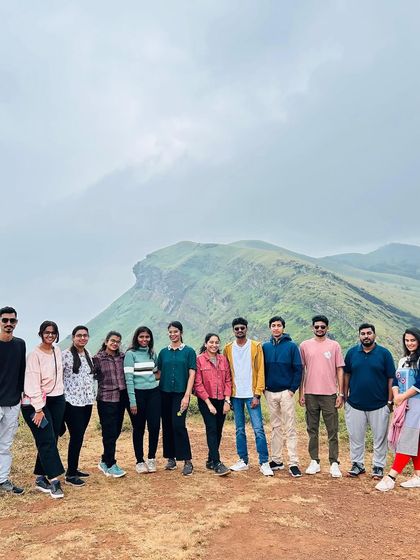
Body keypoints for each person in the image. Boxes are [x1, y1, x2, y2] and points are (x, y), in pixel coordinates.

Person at [344, 323, 395, 479]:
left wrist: (389, 401)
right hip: (355, 404)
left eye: (369, 333)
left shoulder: (384, 354)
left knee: (380, 438)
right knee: (355, 436)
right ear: (359, 336)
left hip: (379, 404)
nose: (366, 336)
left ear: (374, 335)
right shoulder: (352, 353)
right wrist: (345, 397)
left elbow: (391, 378)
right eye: (363, 333)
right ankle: (357, 464)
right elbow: (346, 374)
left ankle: (378, 466)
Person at [21, 321, 66, 498]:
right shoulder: (34, 355)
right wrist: (39, 409)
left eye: (53, 333)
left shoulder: (57, 351)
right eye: (47, 332)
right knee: (46, 439)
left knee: (51, 438)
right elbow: (31, 384)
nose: (50, 335)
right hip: (36, 403)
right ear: (41, 333)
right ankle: (54, 480)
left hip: (56, 400)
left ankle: (40, 478)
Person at [224, 317, 273, 476]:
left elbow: (260, 371)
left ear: (246, 329)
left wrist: (257, 394)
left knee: (258, 429)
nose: (239, 331)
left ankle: (264, 462)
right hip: (235, 395)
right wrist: (228, 396)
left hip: (252, 394)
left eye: (242, 328)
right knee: (239, 429)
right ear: (233, 330)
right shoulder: (228, 348)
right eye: (236, 328)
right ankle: (243, 460)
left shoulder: (256, 346)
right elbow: (227, 373)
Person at [299, 315, 345, 478]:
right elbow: (302, 370)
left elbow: (340, 369)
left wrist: (340, 393)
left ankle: (334, 462)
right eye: (317, 326)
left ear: (327, 328)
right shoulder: (304, 345)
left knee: (332, 430)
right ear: (312, 328)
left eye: (322, 327)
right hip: (310, 393)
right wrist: (301, 392)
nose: (319, 329)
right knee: (312, 429)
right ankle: (314, 461)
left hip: (330, 394)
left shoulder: (334, 346)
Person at [376, 327, 420, 491]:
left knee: (406, 440)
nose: (409, 343)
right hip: (404, 404)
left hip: (416, 405)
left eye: (413, 340)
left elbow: (419, 384)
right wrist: (396, 395)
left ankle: (391, 477)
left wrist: (402, 397)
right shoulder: (404, 360)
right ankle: (418, 476)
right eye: (407, 340)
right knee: (416, 441)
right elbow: (395, 380)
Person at [263, 315, 303, 478]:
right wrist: (264, 389)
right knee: (275, 427)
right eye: (273, 325)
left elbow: (298, 369)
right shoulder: (265, 347)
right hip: (270, 392)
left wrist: (292, 389)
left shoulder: (292, 347)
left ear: (283, 328)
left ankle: (293, 462)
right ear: (270, 328)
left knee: (290, 426)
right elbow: (261, 369)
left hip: (286, 392)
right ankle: (277, 459)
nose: (276, 328)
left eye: (279, 325)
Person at [157, 321, 196, 476]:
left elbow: (192, 373)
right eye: (170, 332)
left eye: (176, 332)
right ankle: (171, 458)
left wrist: (187, 395)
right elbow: (159, 373)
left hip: (181, 393)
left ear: (181, 332)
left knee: (178, 424)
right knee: (166, 425)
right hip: (164, 393)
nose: (173, 334)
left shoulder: (189, 351)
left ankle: (187, 460)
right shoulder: (163, 352)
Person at [61, 325, 96, 486]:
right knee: (76, 436)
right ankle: (70, 475)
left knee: (80, 436)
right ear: (73, 337)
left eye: (85, 335)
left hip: (87, 401)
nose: (82, 338)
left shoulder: (88, 354)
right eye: (79, 335)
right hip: (71, 402)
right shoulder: (65, 355)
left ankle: (73, 468)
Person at [194, 333, 232, 476]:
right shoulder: (199, 360)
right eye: (211, 342)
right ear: (205, 344)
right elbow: (198, 384)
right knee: (211, 429)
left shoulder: (223, 360)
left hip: (222, 399)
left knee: (219, 430)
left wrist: (227, 400)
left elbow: (228, 380)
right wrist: (209, 404)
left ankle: (210, 460)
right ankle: (217, 463)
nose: (214, 345)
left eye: (217, 342)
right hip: (206, 400)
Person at [124, 326, 161, 474]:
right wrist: (132, 401)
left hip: (153, 394)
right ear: (136, 338)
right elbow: (129, 379)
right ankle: (139, 460)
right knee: (139, 428)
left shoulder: (152, 354)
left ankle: (151, 458)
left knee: (154, 427)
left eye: (147, 337)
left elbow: (156, 373)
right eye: (141, 337)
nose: (144, 339)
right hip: (137, 395)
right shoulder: (130, 354)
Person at [93, 331, 127, 478]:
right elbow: (90, 376)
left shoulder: (122, 357)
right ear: (106, 341)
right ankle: (111, 464)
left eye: (118, 341)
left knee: (117, 430)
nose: (115, 343)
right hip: (106, 399)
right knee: (109, 432)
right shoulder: (98, 358)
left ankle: (104, 460)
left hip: (121, 398)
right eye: (112, 341)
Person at [0, 306, 26, 495]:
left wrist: (20, 396)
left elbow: (21, 372)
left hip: (12, 402)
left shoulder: (20, 344)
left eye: (12, 321)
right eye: (5, 320)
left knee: (6, 444)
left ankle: (2, 480)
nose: (9, 324)